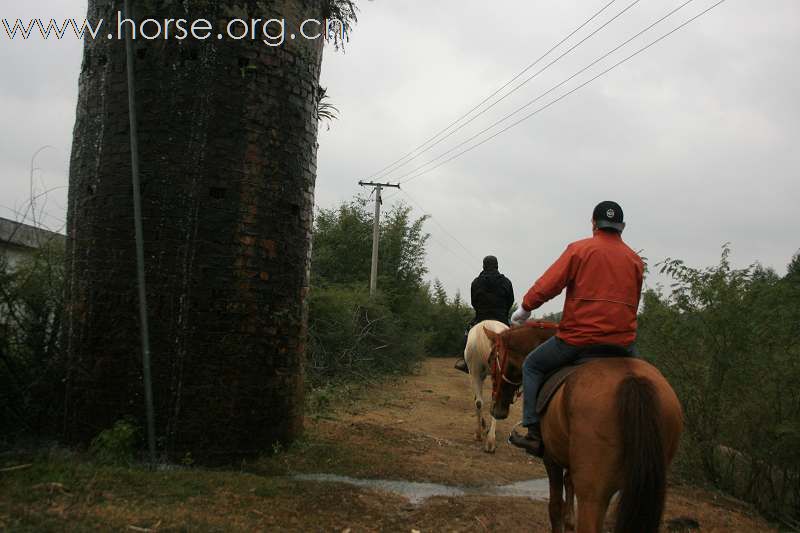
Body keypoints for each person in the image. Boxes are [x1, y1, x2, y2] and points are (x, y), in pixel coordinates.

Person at [507, 201, 644, 456]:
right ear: (622, 227)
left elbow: (549, 284)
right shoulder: (635, 261)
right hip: (622, 344)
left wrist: (525, 308)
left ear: (593, 223)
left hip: (577, 339)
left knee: (532, 366)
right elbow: (633, 304)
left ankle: (533, 432)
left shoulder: (579, 250)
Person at [455, 255, 514, 373]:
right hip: (501, 318)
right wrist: (504, 314)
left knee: (467, 334)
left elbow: (474, 302)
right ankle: (516, 363)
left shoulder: (476, 282)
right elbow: (510, 300)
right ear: (497, 265)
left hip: (481, 318)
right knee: (516, 337)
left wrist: (480, 312)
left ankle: (465, 362)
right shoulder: (506, 282)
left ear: (483, 266)